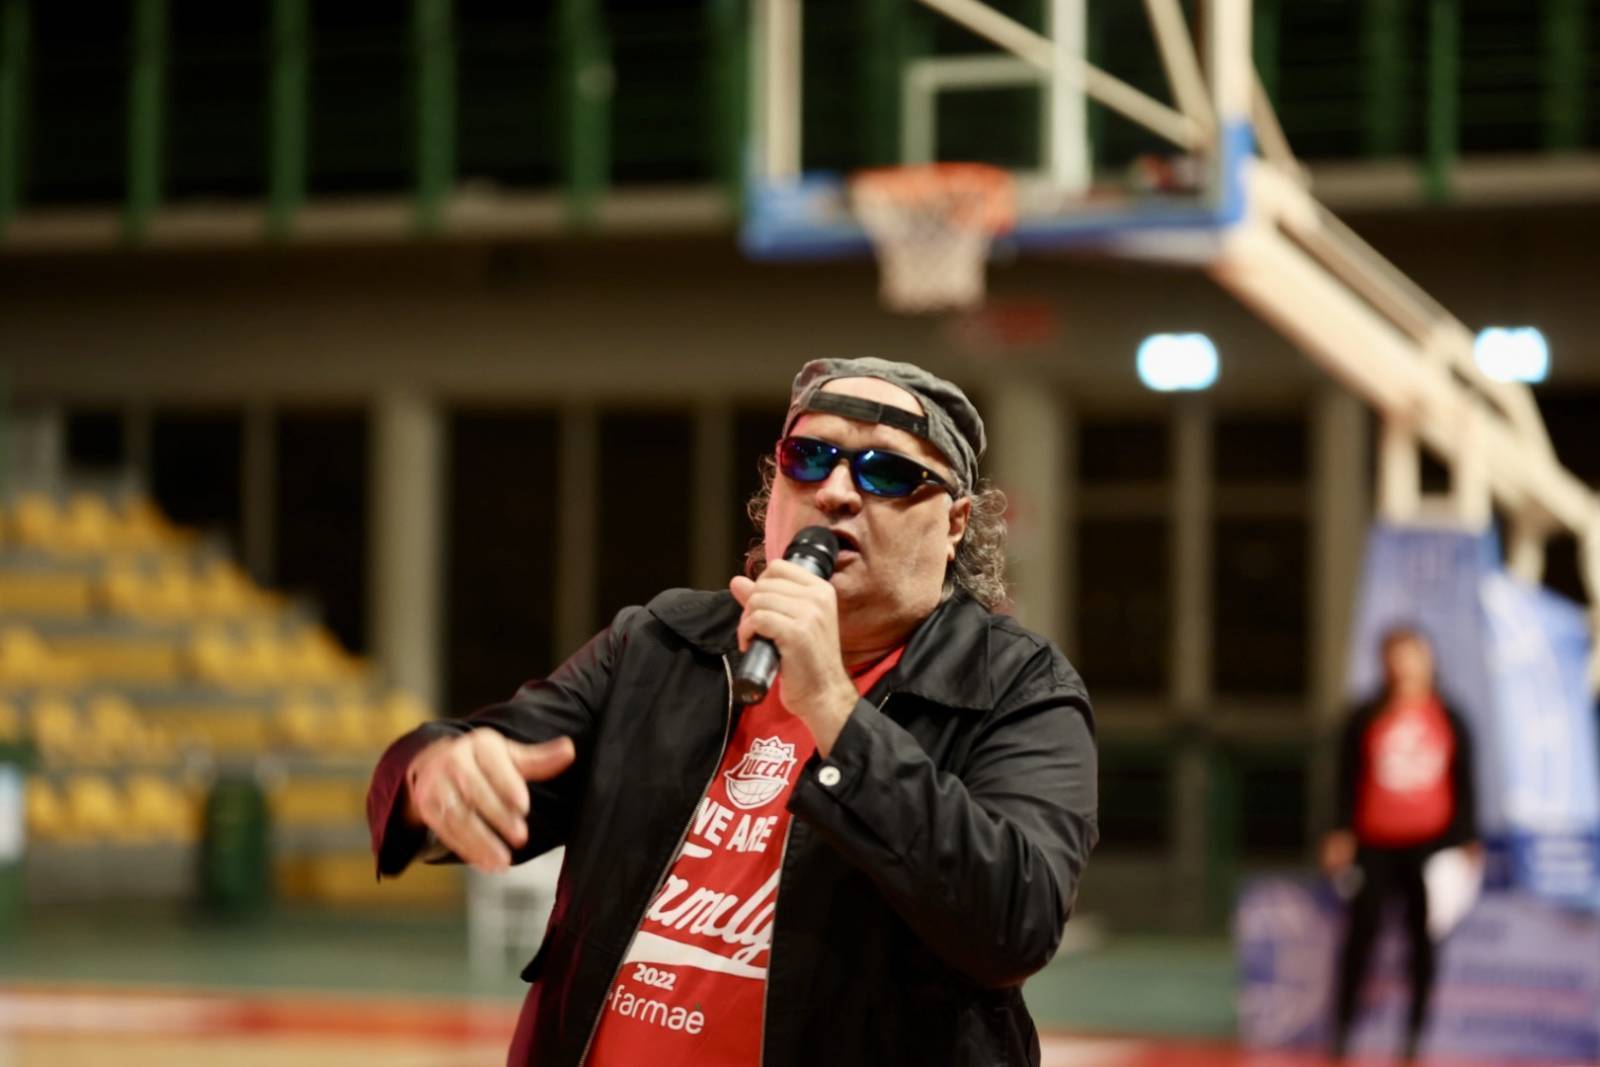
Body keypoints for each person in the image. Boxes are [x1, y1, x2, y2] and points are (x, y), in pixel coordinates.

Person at [366, 357, 1099, 1067]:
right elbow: (469, 760)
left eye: (887, 473)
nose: (836, 491)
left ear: (955, 523)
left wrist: (834, 707)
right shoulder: (661, 644)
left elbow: (1016, 923)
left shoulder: (1015, 686)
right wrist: (433, 775)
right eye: (808, 458)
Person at [1322, 625, 1479, 1062]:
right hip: (1375, 843)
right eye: (1396, 656)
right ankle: (1342, 1034)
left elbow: (1464, 783)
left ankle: (1412, 1039)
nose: (1405, 666)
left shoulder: (1449, 716)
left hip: (1429, 847)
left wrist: (1466, 839)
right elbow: (1347, 779)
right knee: (1362, 934)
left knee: (1422, 941)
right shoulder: (1366, 716)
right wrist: (1340, 831)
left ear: (1428, 660)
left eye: (1412, 655)